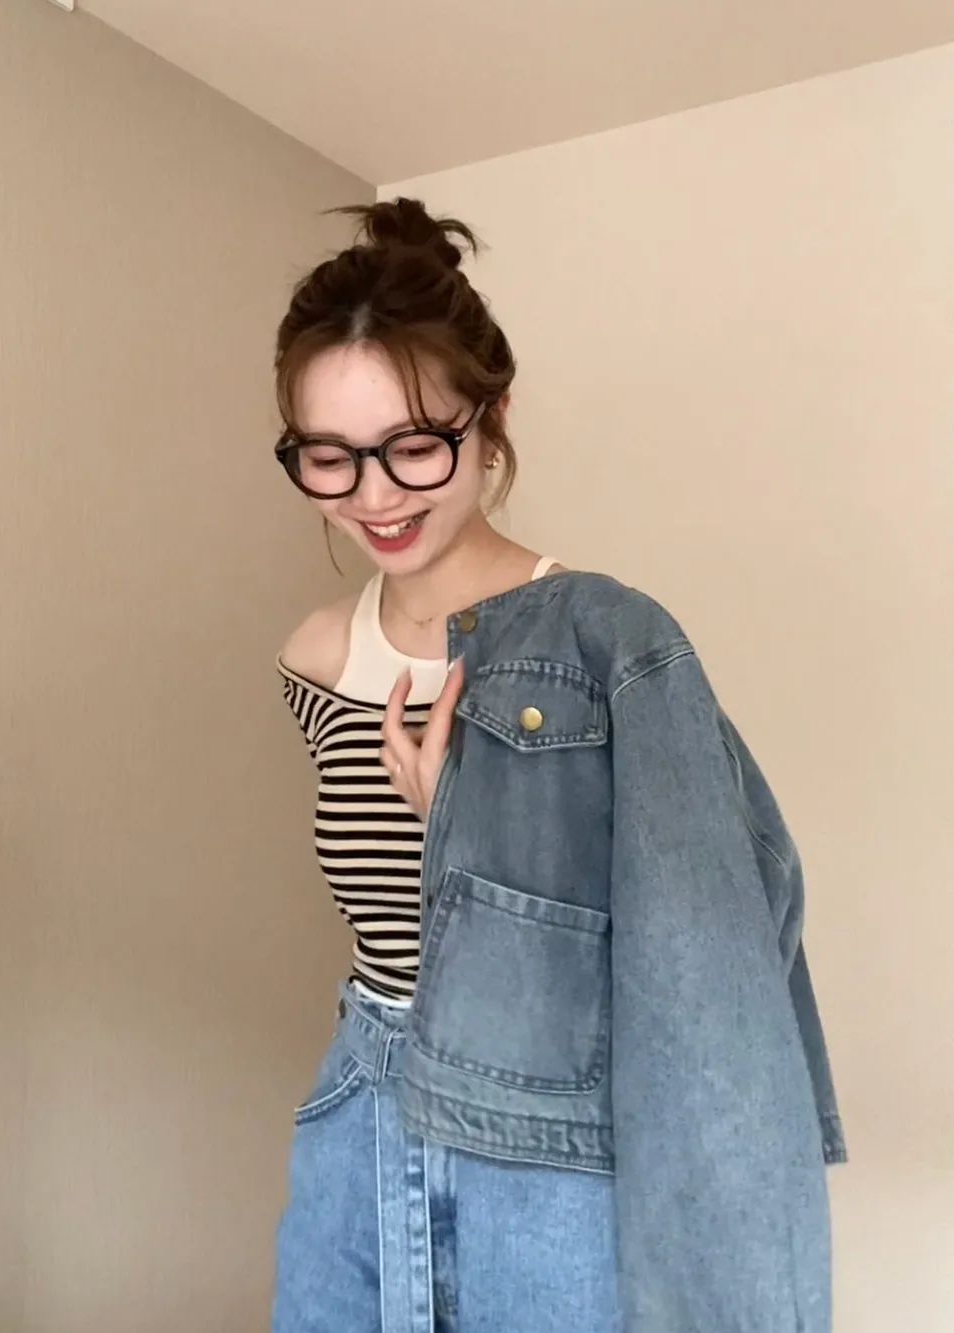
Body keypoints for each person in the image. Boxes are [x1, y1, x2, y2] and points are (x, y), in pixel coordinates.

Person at [270, 198, 846, 1333]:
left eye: (414, 445)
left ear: (493, 417)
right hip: (358, 1113)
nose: (373, 496)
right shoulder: (314, 658)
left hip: (540, 1149)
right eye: (329, 458)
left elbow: (708, 939)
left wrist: (466, 815)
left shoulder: (604, 642)